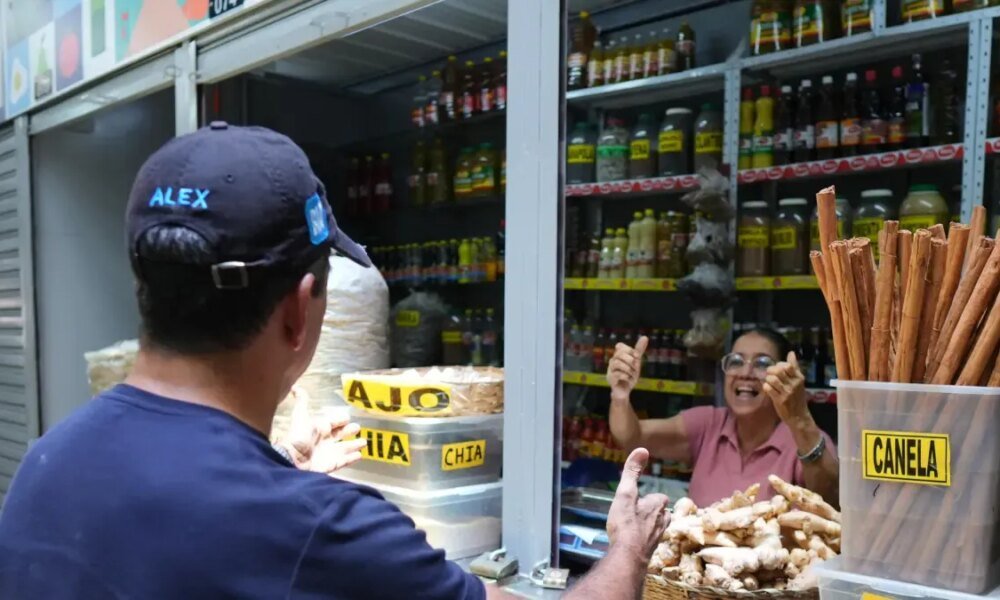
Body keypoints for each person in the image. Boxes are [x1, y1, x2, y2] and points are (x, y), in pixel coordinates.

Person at [0, 123, 670, 599]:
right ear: (300, 310)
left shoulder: (47, 462)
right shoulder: (317, 525)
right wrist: (628, 550)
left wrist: (281, 479)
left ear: (146, 286)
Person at [608, 327, 838, 507]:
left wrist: (799, 418)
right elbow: (633, 437)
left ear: (784, 376)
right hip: (699, 566)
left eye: (762, 364)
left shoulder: (805, 441)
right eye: (736, 361)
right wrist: (620, 394)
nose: (745, 374)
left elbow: (833, 500)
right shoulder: (709, 425)